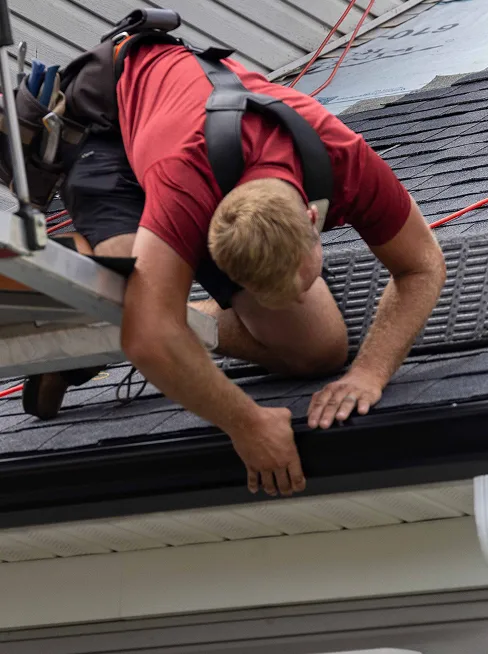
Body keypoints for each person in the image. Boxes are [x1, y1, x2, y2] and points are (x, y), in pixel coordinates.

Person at [26, 41, 446, 498]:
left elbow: (422, 265)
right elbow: (148, 337)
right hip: (104, 131)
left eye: (293, 287)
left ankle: (129, 322)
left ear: (311, 218)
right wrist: (246, 424)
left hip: (186, 137)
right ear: (210, 236)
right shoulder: (182, 185)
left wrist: (369, 373)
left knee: (317, 350)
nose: (281, 303)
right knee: (131, 288)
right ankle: (91, 274)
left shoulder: (340, 153)